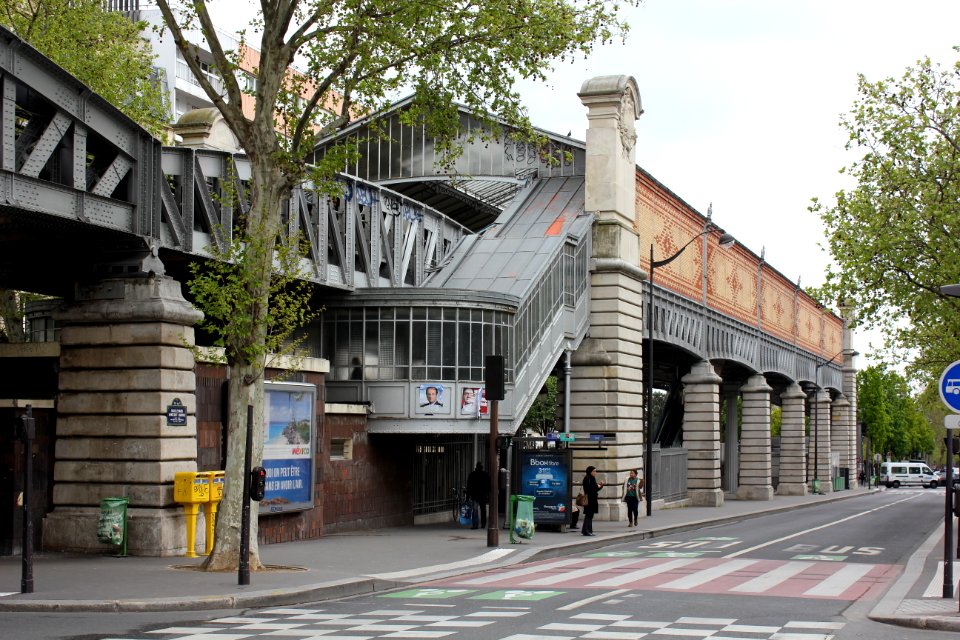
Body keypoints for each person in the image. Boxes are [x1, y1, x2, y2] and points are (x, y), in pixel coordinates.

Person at [466, 462, 490, 529]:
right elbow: (489, 486)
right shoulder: (485, 475)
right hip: (482, 495)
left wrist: (468, 496)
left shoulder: (472, 474)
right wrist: (488, 495)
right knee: (483, 510)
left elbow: (469, 486)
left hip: (475, 495)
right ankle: (483, 524)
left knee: (475, 510)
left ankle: (475, 525)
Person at [581, 465, 604, 536]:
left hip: (593, 499)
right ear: (590, 472)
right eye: (594, 471)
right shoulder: (587, 478)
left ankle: (588, 530)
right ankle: (586, 530)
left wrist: (601, 486)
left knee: (590, 515)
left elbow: (595, 489)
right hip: (589, 500)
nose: (595, 472)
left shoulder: (592, 478)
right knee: (588, 515)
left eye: (595, 471)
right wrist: (597, 486)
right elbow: (588, 489)